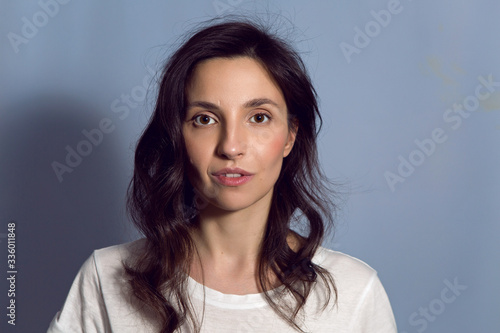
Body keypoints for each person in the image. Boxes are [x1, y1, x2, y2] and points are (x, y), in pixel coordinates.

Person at [47, 19, 397, 333]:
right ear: (177, 136)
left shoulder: (355, 293)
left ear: (291, 135)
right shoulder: (105, 278)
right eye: (205, 119)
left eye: (258, 117)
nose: (231, 147)